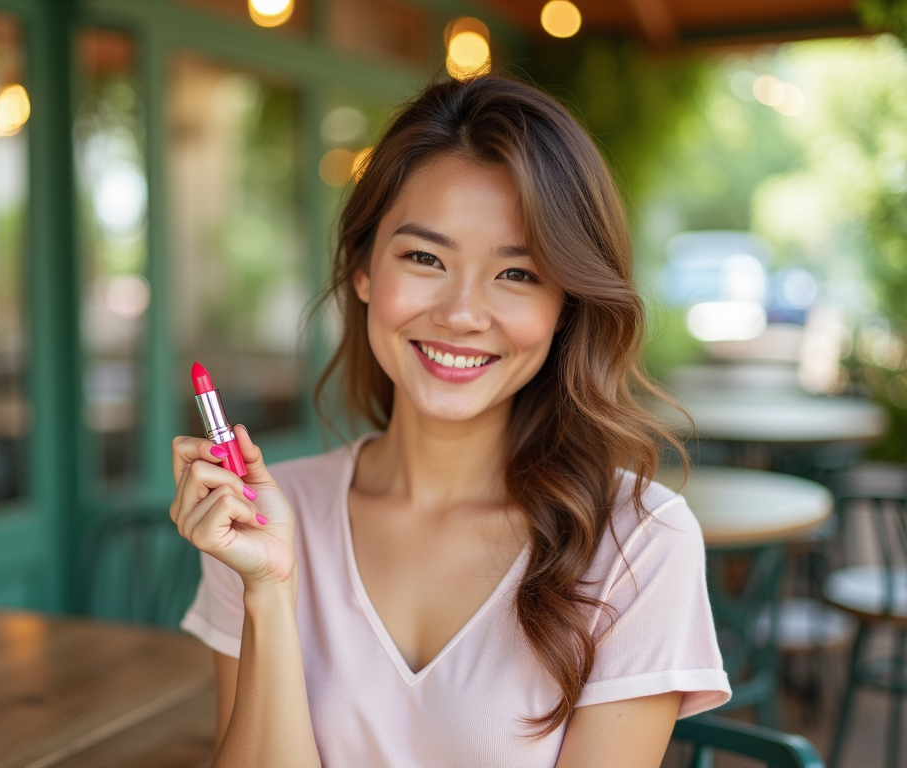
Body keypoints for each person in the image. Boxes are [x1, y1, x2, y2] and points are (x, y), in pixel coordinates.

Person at [170, 74, 731, 768]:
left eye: (518, 274)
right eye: (425, 258)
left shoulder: (638, 542)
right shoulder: (261, 521)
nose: (463, 314)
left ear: (567, 307)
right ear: (365, 270)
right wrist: (268, 591)